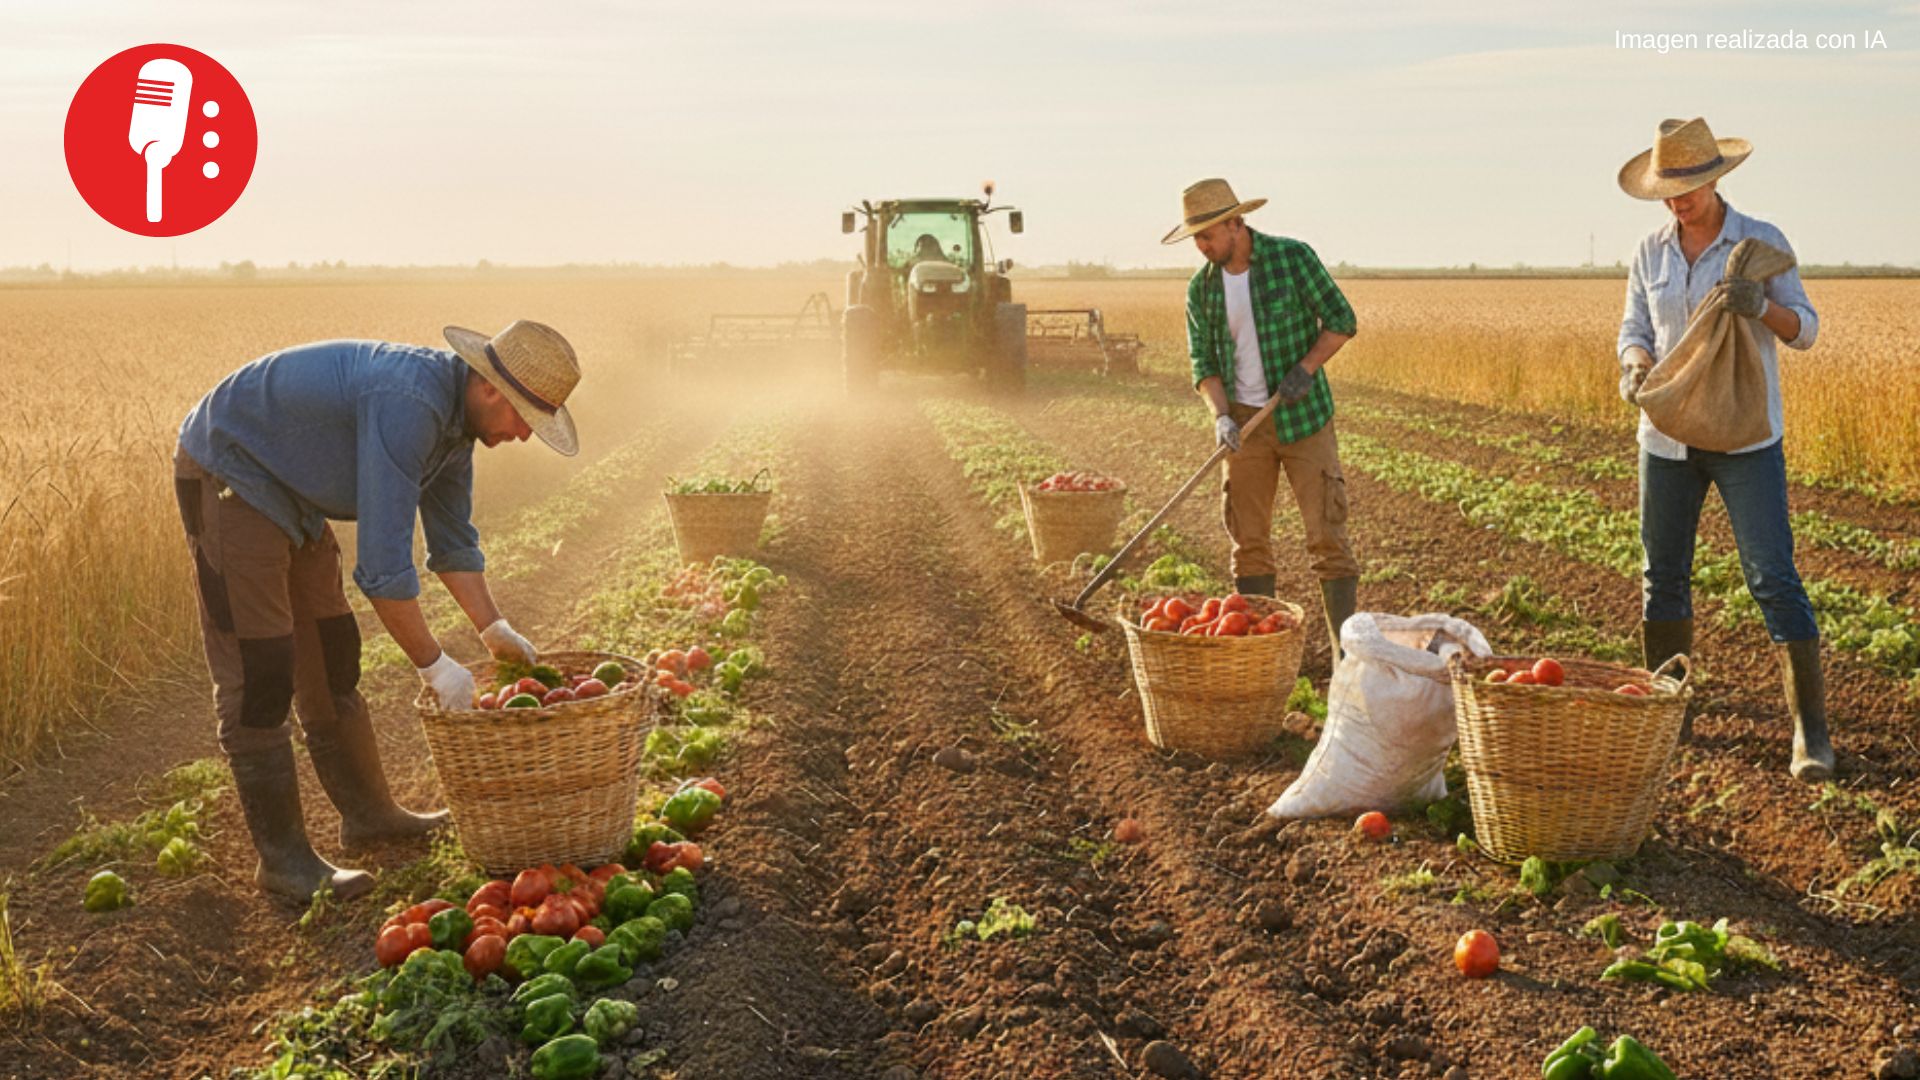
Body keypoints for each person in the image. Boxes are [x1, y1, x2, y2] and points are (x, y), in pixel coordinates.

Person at [173, 320, 582, 899]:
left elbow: (453, 543)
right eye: (524, 418)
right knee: (261, 667)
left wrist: (495, 629)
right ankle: (283, 859)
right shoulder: (409, 403)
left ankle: (368, 814)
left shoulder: (457, 429)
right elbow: (385, 569)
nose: (522, 435)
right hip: (231, 472)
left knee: (333, 652)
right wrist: (436, 667)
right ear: (491, 388)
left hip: (294, 495)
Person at [1616, 117, 1830, 781]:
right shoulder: (1650, 252)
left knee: (1771, 576)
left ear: (1713, 179)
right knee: (1663, 576)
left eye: (1688, 189)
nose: (1678, 201)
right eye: (1668, 191)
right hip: (1668, 438)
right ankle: (1668, 720)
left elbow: (1807, 331)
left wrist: (1758, 307)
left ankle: (1810, 734)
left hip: (1745, 439)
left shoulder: (1759, 243)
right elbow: (1634, 328)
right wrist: (1633, 362)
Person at [1165, 177, 1361, 661]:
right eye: (1196, 237)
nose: (1202, 245)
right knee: (1248, 542)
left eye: (1209, 234)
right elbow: (1203, 364)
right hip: (1245, 427)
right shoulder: (1201, 290)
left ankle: (1344, 659)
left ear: (1236, 223)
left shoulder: (1291, 259)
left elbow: (1342, 319)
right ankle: (1259, 654)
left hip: (1303, 418)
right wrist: (1221, 417)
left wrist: (1306, 369)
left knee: (1326, 537)